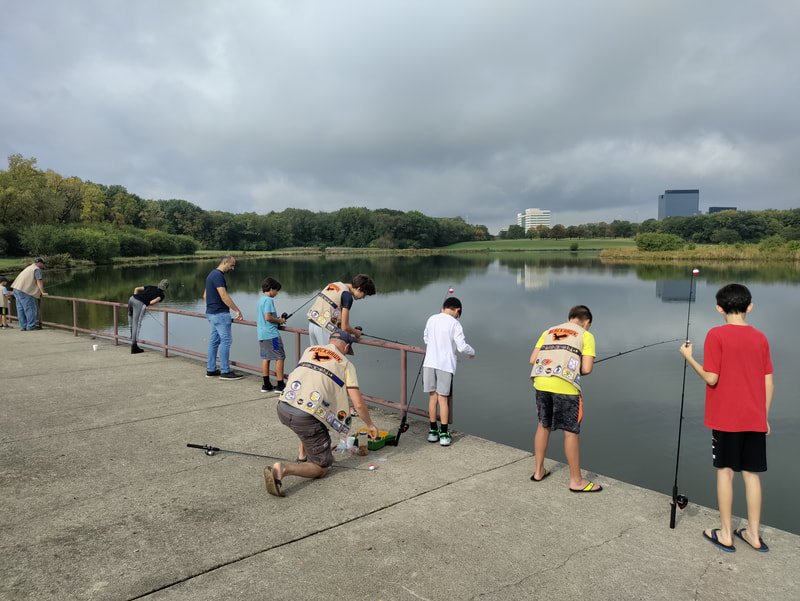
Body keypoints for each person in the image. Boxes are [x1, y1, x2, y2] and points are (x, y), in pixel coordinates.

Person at [679, 283, 774, 553]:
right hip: (755, 417)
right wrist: (763, 416)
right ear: (750, 307)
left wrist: (689, 358)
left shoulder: (716, 335)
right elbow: (769, 383)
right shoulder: (761, 338)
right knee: (752, 475)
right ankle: (754, 535)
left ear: (719, 308)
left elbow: (712, 378)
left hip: (725, 418)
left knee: (725, 473)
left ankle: (726, 534)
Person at [264, 330, 379, 497]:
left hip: (283, 406)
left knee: (309, 414)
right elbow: (359, 405)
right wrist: (370, 424)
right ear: (346, 347)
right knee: (322, 466)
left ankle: (302, 454)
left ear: (329, 340)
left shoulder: (310, 350)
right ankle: (283, 469)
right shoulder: (346, 364)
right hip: (303, 418)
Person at [529, 305, 601, 492]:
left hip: (541, 382)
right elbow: (586, 369)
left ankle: (538, 472)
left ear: (570, 318)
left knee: (543, 425)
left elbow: (533, 359)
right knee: (570, 431)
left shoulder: (548, 331)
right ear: (587, 322)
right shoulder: (586, 335)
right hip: (566, 387)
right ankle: (576, 481)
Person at [422, 296, 476, 446]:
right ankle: (444, 434)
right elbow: (461, 346)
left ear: (444, 307)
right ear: (458, 310)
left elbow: (426, 338)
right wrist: (472, 352)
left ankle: (433, 432)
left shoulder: (431, 319)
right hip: (445, 365)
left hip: (429, 363)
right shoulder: (455, 324)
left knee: (432, 398)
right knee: (443, 399)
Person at [203, 256, 244, 380]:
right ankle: (225, 371)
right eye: (231, 265)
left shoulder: (211, 275)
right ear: (225, 262)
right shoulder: (218, 276)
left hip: (211, 313)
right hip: (220, 314)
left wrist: (213, 305)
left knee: (214, 342)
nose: (232, 268)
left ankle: (211, 369)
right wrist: (237, 310)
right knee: (226, 341)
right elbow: (223, 295)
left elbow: (205, 296)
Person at [306, 274, 376, 346]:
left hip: (312, 323)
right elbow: (345, 327)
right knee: (326, 355)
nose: (363, 298)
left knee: (315, 354)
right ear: (359, 289)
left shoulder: (335, 284)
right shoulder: (347, 296)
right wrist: (356, 332)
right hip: (323, 329)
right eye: (364, 294)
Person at [257, 277, 287, 392]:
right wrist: (280, 321)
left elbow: (264, 317)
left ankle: (266, 385)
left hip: (262, 335)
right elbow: (268, 317)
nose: (277, 293)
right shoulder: (269, 300)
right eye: (276, 290)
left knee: (266, 358)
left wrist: (277, 319)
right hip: (272, 335)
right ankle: (280, 385)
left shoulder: (260, 300)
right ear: (271, 289)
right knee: (280, 357)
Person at [127, 279, 169, 353]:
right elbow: (152, 302)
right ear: (166, 288)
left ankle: (131, 335)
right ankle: (134, 347)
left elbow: (136, 288)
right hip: (139, 304)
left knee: (130, 315)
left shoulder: (151, 287)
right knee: (136, 324)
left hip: (132, 299)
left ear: (159, 284)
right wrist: (146, 303)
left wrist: (135, 296)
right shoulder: (161, 295)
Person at [11, 258, 47, 331]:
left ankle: (23, 326)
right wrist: (42, 292)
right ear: (40, 263)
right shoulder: (36, 269)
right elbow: (39, 281)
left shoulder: (29, 267)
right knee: (30, 309)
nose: (43, 265)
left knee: (20, 309)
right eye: (43, 263)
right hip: (24, 291)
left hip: (16, 288)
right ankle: (31, 326)